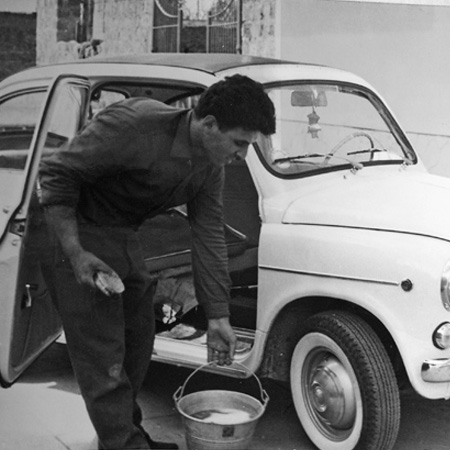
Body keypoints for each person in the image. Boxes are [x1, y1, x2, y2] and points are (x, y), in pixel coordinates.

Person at [38, 74, 276, 450]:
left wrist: (218, 317)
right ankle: (126, 445)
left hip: (121, 231)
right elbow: (54, 173)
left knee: (138, 338)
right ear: (209, 125)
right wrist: (75, 254)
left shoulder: (210, 166)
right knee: (104, 357)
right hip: (70, 227)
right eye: (240, 143)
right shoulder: (133, 126)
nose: (242, 156)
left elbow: (209, 235)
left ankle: (123, 435)